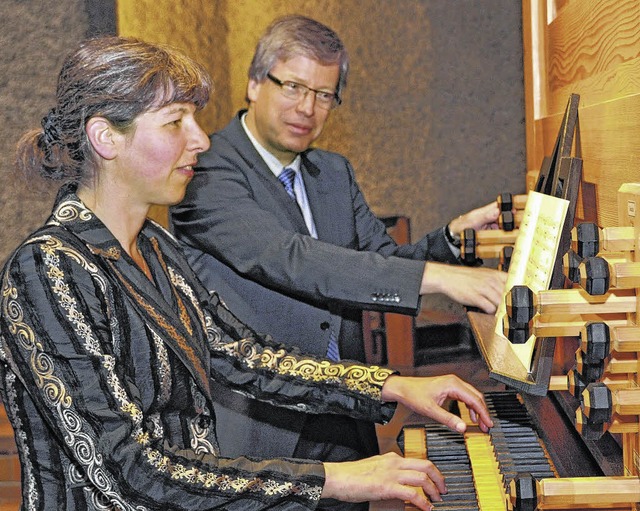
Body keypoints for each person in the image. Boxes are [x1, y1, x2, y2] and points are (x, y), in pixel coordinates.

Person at [0, 35, 495, 511]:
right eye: (176, 122)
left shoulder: (155, 247)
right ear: (106, 137)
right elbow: (128, 470)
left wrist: (391, 386)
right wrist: (335, 479)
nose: (199, 140)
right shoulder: (46, 269)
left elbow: (242, 355)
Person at [169, 14, 507, 481]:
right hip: (260, 429)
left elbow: (381, 265)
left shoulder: (333, 173)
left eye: (323, 94)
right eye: (292, 86)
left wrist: (451, 238)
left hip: (349, 412)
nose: (307, 108)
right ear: (253, 84)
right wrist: (445, 279)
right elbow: (290, 258)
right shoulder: (203, 171)